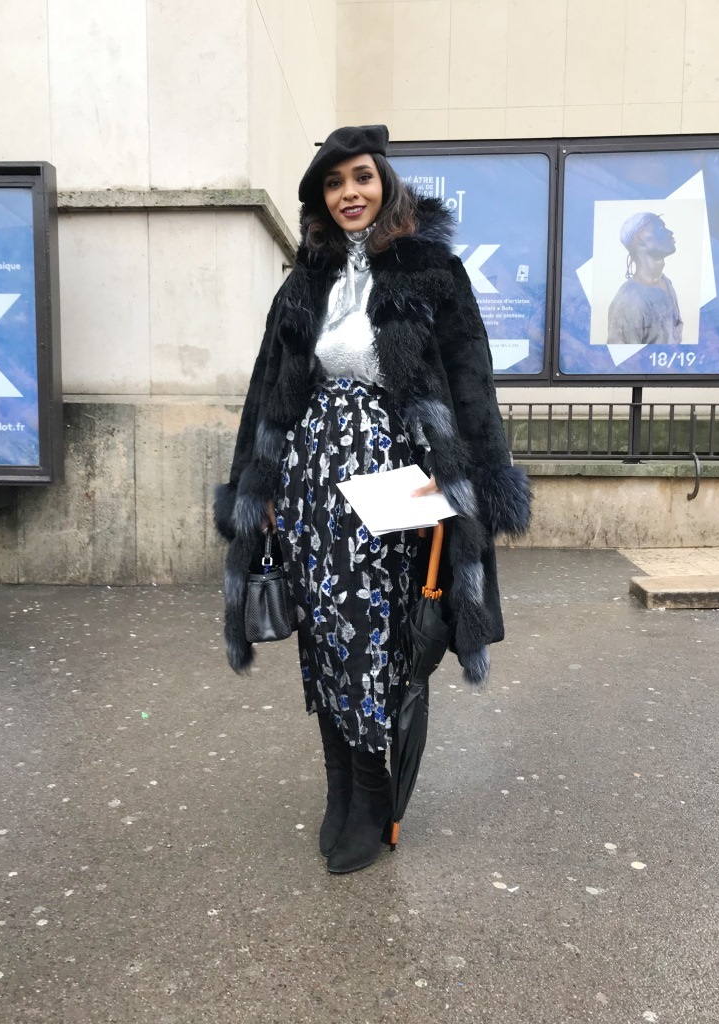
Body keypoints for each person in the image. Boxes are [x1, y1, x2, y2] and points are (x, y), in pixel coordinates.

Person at [214, 125, 530, 874]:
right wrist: (256, 486)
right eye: (334, 183)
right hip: (307, 489)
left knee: (373, 637)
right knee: (324, 637)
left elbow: (471, 382)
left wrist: (470, 482)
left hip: (393, 487)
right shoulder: (304, 281)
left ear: (385, 183)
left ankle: (372, 791)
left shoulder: (432, 271)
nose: (348, 193)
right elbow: (267, 389)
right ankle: (339, 789)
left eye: (360, 177)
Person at [607, 211, 683, 345]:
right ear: (638, 239)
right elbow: (623, 356)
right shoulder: (628, 302)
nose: (670, 232)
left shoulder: (667, 284)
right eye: (660, 229)